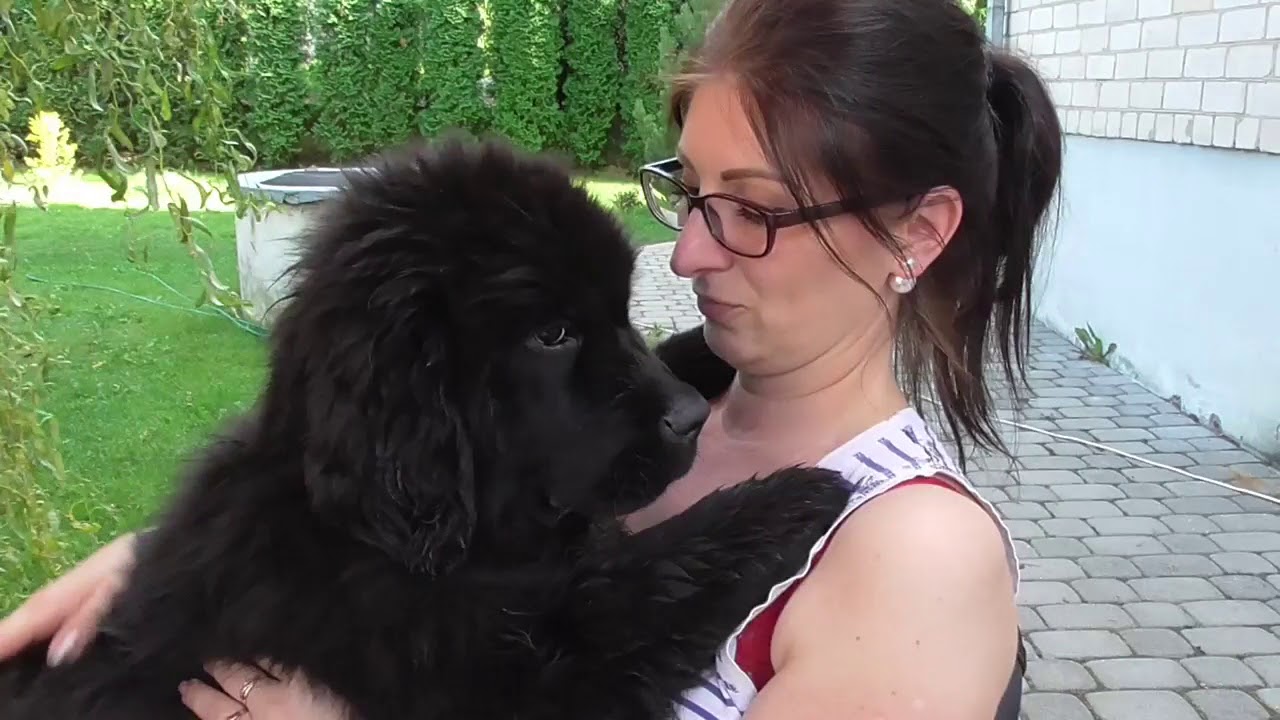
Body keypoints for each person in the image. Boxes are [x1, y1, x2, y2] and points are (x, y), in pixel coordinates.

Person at [0, 0, 1062, 717]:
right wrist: (181, 566)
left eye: (755, 210)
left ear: (918, 233)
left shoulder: (915, 561)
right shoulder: (684, 391)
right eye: (689, 190)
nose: (688, 251)